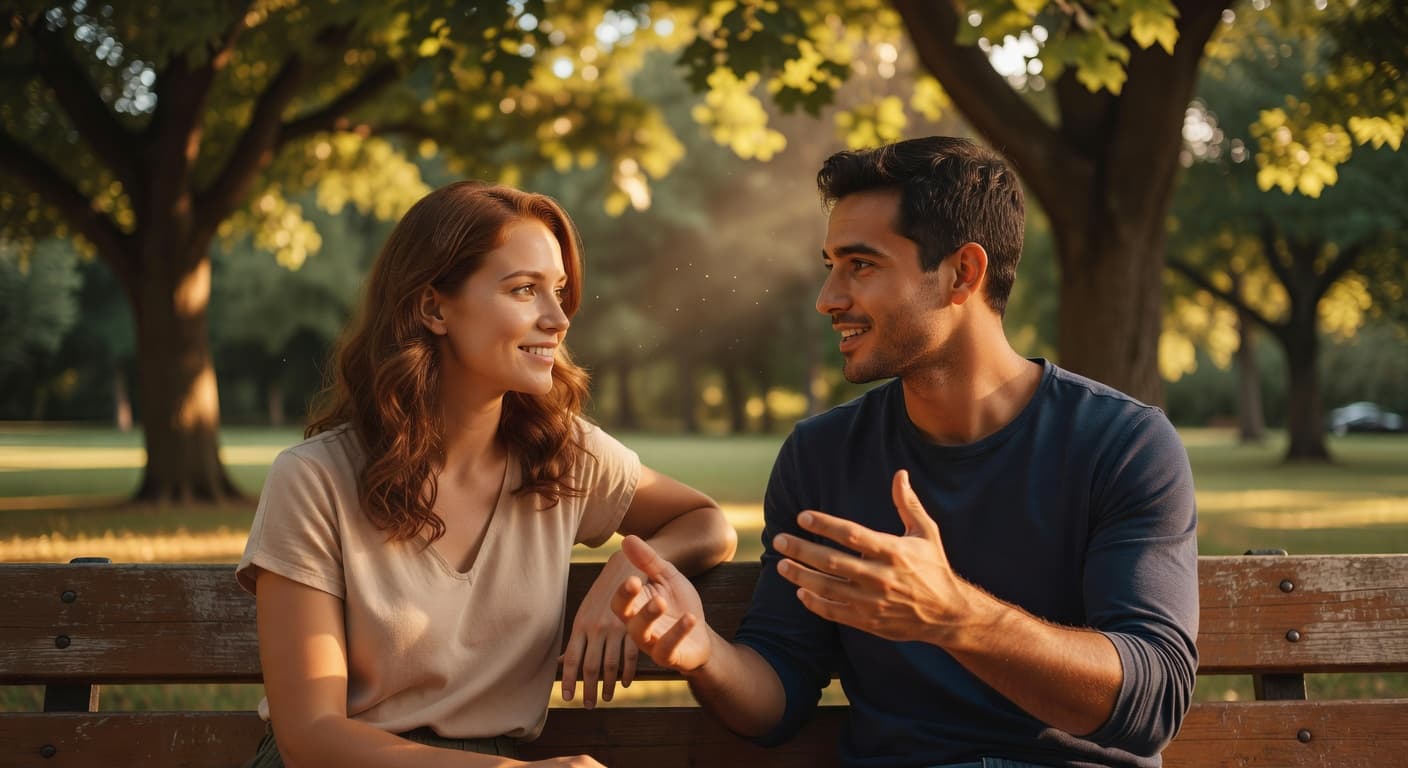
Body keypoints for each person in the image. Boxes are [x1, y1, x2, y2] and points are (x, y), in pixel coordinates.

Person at [611, 137, 1198, 768]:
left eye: (861, 265)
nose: (828, 298)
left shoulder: (1123, 444)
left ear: (962, 273)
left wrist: (953, 615)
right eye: (831, 265)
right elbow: (778, 690)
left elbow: (1153, 702)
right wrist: (705, 654)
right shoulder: (822, 456)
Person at [236, 181, 737, 768]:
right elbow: (310, 736)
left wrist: (625, 569)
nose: (558, 318)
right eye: (524, 289)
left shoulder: (564, 455)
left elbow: (707, 523)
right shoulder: (314, 479)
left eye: (559, 291)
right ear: (433, 308)